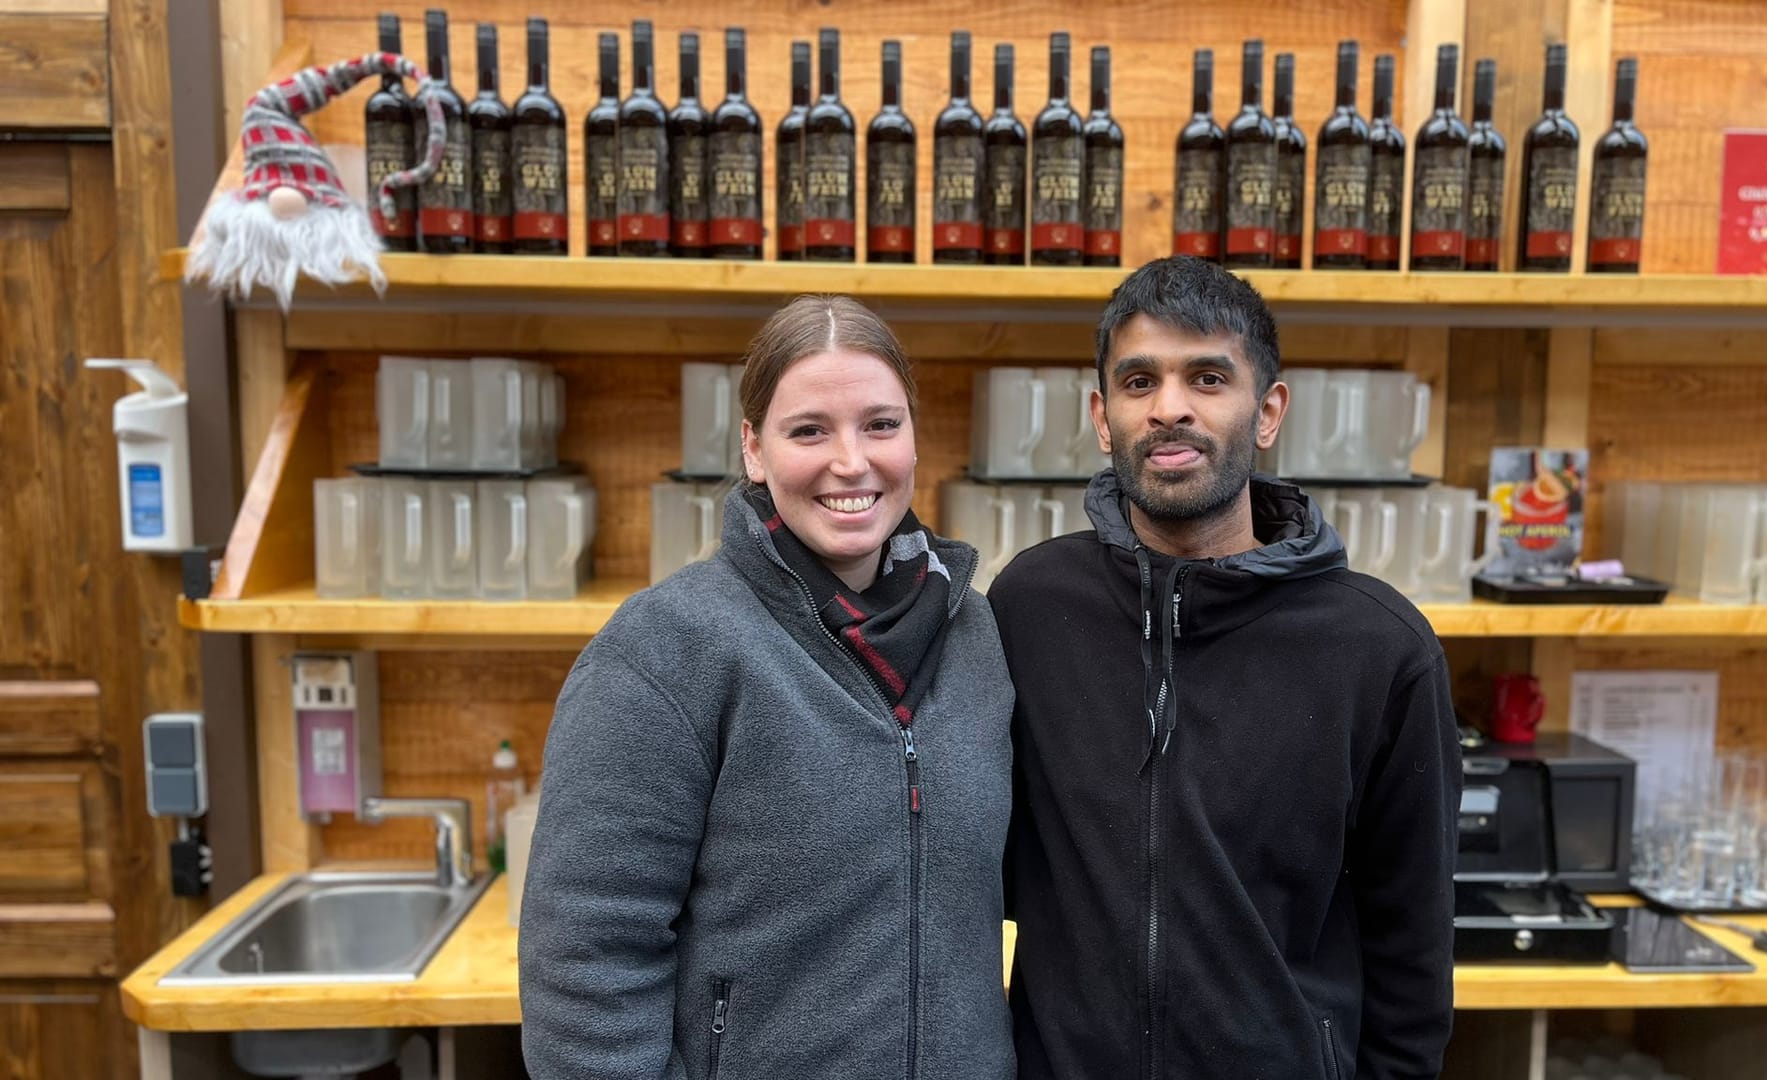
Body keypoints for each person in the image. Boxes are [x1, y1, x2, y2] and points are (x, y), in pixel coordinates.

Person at [520, 295, 1016, 1080]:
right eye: (809, 430)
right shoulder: (664, 649)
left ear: (915, 440)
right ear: (754, 448)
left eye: (881, 425)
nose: (851, 462)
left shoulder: (976, 635)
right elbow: (586, 956)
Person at [990, 256, 1461, 1080]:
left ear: (1267, 410)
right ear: (1104, 419)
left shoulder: (1380, 648)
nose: (1170, 407)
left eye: (1208, 378)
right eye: (1139, 382)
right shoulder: (1029, 607)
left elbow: (1413, 952)